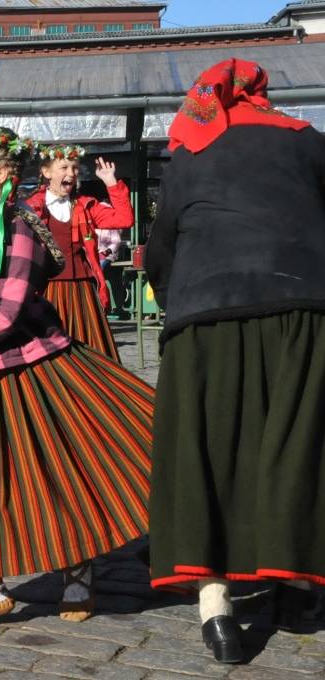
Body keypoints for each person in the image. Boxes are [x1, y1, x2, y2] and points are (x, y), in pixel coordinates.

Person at [0, 125, 154, 632]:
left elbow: (5, 314)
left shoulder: (16, 227)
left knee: (48, 470)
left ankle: (78, 570)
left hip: (17, 369)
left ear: (0, 175)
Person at [145, 58, 325, 664]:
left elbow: (163, 245)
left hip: (205, 313)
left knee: (206, 452)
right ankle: (296, 587)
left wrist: (175, 305)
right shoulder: (310, 142)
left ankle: (216, 608)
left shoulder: (191, 151)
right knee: (292, 446)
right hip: (303, 307)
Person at [25, 147, 134, 362]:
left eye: (75, 168)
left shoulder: (85, 204)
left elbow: (124, 219)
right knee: (50, 351)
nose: (72, 173)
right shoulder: (31, 207)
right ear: (46, 172)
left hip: (82, 288)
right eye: (64, 167)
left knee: (91, 348)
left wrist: (110, 182)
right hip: (46, 290)